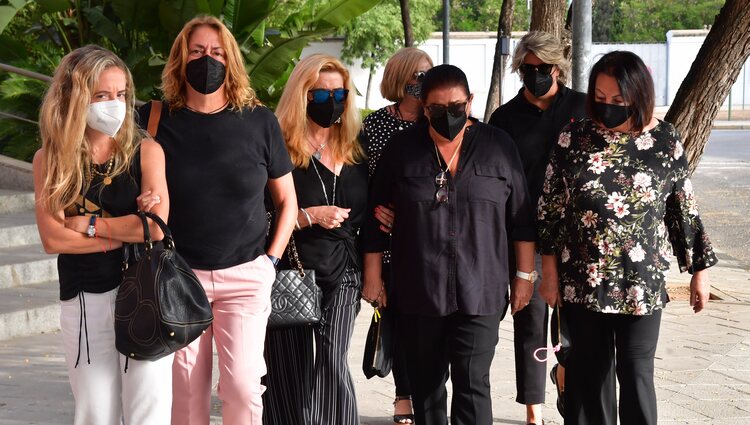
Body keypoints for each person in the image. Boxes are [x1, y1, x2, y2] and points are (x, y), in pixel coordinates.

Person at [537, 50, 717, 425]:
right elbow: (550, 209)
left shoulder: (665, 140)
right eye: (600, 99)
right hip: (583, 281)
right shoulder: (575, 137)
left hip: (641, 282)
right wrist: (548, 274)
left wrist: (700, 270)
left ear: (639, 95)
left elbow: (682, 208)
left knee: (636, 374)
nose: (608, 107)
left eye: (618, 100)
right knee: (589, 375)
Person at [136, 15, 297, 425]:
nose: (207, 60)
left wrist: (270, 262)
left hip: (246, 275)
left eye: (217, 53)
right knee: (186, 396)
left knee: (243, 387)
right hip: (179, 277)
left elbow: (287, 203)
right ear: (179, 59)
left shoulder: (260, 121)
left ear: (231, 61)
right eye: (197, 51)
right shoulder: (155, 120)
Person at [362, 64, 537, 425]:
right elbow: (375, 217)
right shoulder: (403, 149)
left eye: (456, 107)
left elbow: (521, 218)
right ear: (424, 108)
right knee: (427, 388)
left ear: (470, 102)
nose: (448, 116)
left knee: (473, 384)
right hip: (419, 288)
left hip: (482, 288)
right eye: (437, 110)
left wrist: (524, 276)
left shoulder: (498, 146)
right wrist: (373, 276)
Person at [33, 45, 171, 424]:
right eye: (102, 96)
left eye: (122, 95)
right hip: (83, 298)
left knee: (149, 412)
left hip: (144, 295)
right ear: (76, 97)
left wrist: (91, 226)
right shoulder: (51, 159)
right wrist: (126, 231)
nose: (116, 104)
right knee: (95, 413)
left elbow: (156, 229)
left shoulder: (146, 152)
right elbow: (54, 239)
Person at [262, 54, 368, 425]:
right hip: (292, 270)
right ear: (302, 95)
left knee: (331, 358)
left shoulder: (356, 147)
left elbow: (368, 212)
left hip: (345, 273)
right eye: (321, 93)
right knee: (288, 369)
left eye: (339, 93)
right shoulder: (279, 147)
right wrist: (308, 217)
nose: (332, 101)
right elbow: (258, 215)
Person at [488, 31, 587, 424]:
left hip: (577, 235)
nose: (535, 76)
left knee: (574, 325)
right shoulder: (505, 119)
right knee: (529, 322)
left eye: (542, 69)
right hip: (524, 235)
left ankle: (567, 382)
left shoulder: (583, 108)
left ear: (557, 67)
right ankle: (533, 409)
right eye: (527, 70)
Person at [359, 46, 434, 424]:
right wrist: (378, 212)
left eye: (427, 75)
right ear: (399, 78)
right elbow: (364, 182)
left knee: (430, 324)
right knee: (398, 321)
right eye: (415, 76)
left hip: (430, 239)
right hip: (386, 242)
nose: (421, 83)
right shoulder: (374, 125)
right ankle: (403, 395)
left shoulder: (439, 123)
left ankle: (432, 394)